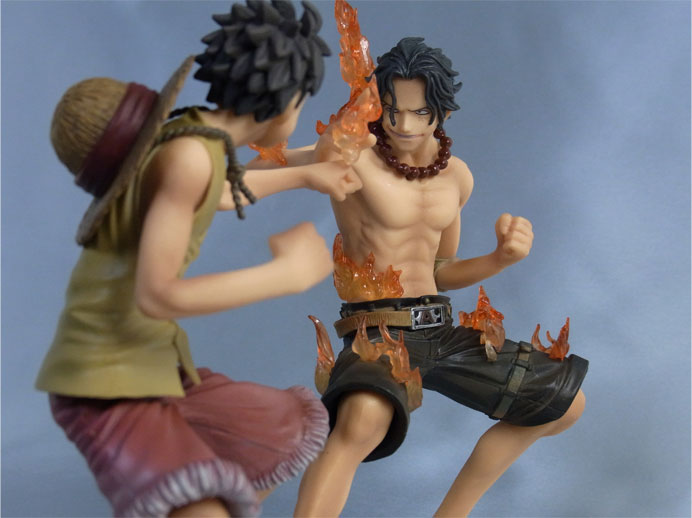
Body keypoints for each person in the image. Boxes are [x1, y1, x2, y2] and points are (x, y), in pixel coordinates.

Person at [34, 2, 361, 516]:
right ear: (285, 100)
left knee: (281, 428)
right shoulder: (188, 156)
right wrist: (285, 275)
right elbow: (157, 294)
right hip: (103, 383)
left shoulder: (193, 136)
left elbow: (220, 192)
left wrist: (304, 173)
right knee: (201, 507)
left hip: (150, 367)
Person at [289, 36, 589, 517]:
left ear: (443, 113)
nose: (404, 125)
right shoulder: (353, 155)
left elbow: (441, 271)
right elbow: (281, 164)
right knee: (363, 420)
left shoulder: (456, 176)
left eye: (419, 112)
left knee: (563, 403)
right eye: (392, 111)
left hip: (440, 330)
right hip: (378, 332)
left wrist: (500, 258)